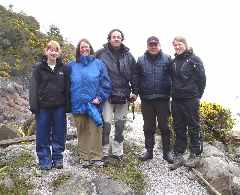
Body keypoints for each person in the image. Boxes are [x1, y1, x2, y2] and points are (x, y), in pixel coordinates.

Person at [68, 38, 111, 167]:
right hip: (77, 103)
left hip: (94, 103)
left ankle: (96, 157)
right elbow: (65, 84)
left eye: (86, 47)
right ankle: (84, 157)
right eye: (82, 47)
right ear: (78, 50)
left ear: (90, 48)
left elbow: (106, 83)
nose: (84, 49)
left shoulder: (99, 64)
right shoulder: (71, 65)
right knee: (82, 130)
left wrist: (100, 97)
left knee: (96, 129)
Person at [96, 29, 137, 161]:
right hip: (106, 94)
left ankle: (118, 151)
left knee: (120, 125)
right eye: (114, 37)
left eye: (118, 37)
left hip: (124, 95)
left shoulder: (129, 56)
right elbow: (93, 71)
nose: (116, 39)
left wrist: (135, 92)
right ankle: (104, 150)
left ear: (122, 39)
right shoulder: (100, 53)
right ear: (109, 38)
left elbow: (135, 75)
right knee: (106, 123)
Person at [29, 40, 69, 170]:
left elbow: (68, 88)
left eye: (56, 50)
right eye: (50, 49)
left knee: (59, 133)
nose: (53, 52)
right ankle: (44, 160)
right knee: (42, 134)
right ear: (46, 51)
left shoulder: (64, 68)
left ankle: (58, 158)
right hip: (43, 107)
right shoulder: (38, 68)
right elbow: (33, 88)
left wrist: (68, 106)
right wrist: (33, 106)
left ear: (59, 53)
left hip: (59, 107)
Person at [134, 36, 173, 163]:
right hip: (146, 99)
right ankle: (149, 151)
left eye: (155, 44)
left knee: (164, 126)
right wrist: (135, 93)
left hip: (163, 98)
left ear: (159, 45)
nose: (153, 46)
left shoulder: (167, 59)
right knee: (148, 127)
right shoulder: (140, 60)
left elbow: (174, 77)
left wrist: (174, 93)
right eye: (151, 44)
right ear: (147, 45)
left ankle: (167, 152)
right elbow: (136, 78)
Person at [169, 36, 206, 170]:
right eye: (175, 45)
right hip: (176, 99)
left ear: (185, 44)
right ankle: (179, 154)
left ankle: (195, 154)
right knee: (178, 126)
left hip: (191, 99)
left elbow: (202, 80)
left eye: (179, 44)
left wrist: (197, 96)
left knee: (193, 126)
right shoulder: (173, 62)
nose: (177, 47)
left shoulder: (195, 60)